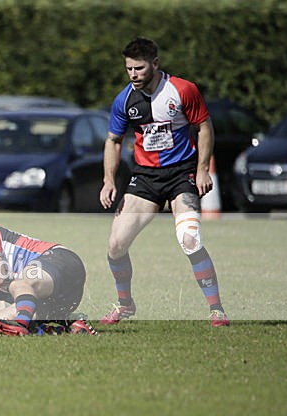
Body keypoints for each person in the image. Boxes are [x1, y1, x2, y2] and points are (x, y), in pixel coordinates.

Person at [99, 37, 229, 327]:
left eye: (139, 68)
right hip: (145, 178)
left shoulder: (183, 90)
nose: (133, 74)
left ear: (155, 64)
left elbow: (204, 128)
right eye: (129, 69)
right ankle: (125, 304)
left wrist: (203, 169)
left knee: (190, 239)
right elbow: (113, 140)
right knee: (115, 245)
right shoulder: (124, 100)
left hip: (182, 175)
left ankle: (216, 309)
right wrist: (108, 180)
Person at [0, 214, 96, 337]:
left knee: (19, 284)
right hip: (61, 295)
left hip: (62, 260)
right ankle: (69, 324)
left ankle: (22, 323)